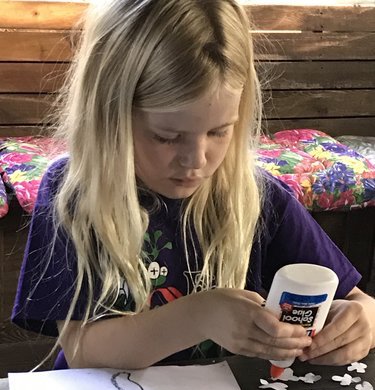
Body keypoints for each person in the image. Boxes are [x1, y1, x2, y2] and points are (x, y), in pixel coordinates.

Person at [12, 0, 375, 371]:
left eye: (219, 131)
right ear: (109, 117)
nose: (196, 160)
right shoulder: (72, 196)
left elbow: (359, 302)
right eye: (167, 137)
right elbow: (83, 351)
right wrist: (198, 316)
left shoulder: (258, 198)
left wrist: (361, 320)